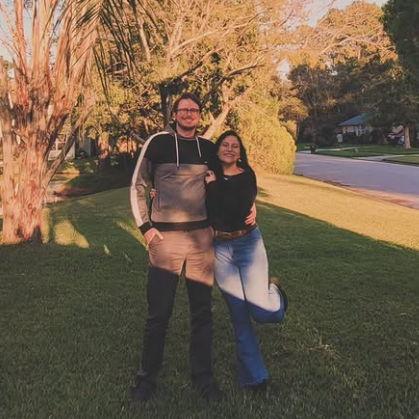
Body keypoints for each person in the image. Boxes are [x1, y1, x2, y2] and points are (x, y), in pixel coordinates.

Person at [129, 92, 222, 402]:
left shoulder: (208, 148)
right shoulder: (157, 143)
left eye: (194, 110)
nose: (188, 114)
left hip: (200, 241)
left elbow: (228, 181)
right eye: (183, 109)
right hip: (164, 242)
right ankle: (146, 379)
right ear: (175, 114)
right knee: (158, 314)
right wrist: (146, 228)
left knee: (202, 313)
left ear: (200, 115)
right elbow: (138, 184)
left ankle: (203, 378)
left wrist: (248, 206)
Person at [205, 130, 288, 393]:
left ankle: (276, 293)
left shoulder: (246, 175)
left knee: (263, 312)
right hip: (221, 250)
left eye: (235, 146)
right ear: (217, 149)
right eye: (225, 145)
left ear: (240, 153)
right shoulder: (207, 175)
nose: (229, 149)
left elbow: (236, 211)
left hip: (247, 245)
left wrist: (213, 186)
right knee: (239, 318)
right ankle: (255, 377)